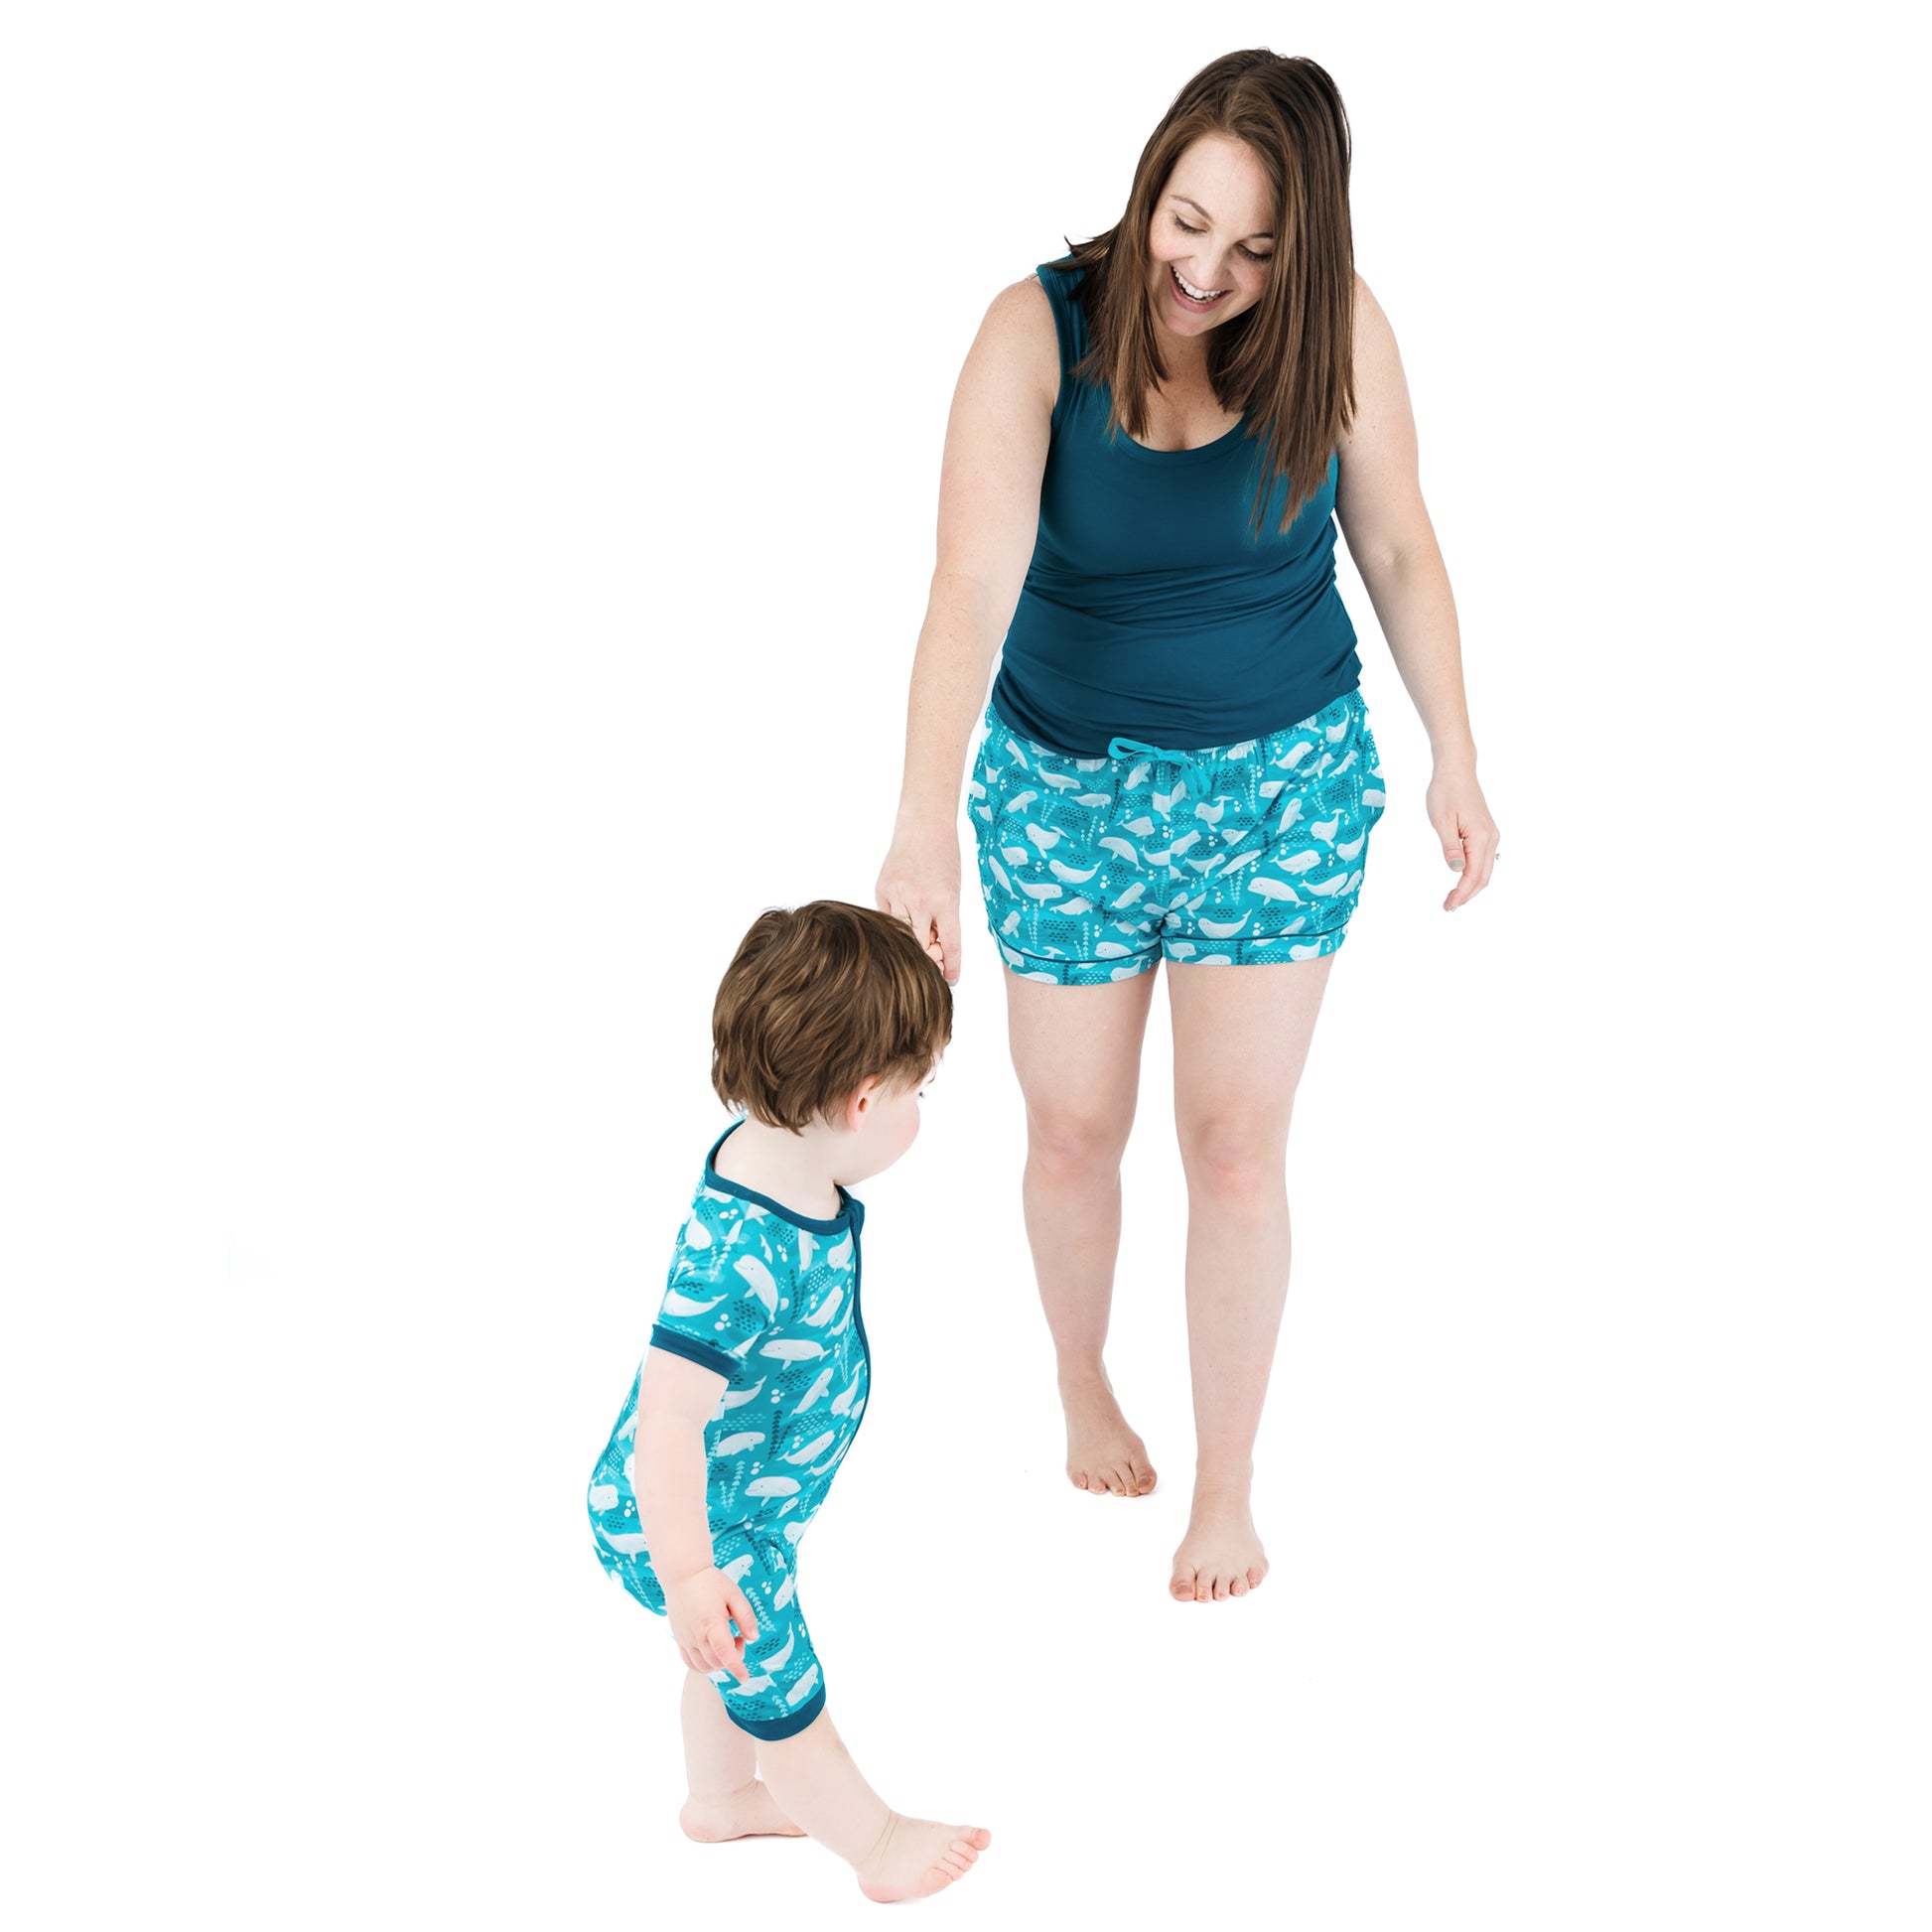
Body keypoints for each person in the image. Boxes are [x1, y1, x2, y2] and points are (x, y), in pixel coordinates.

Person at [875, 51, 1499, 1603]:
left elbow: (1402, 550)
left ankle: (1225, 1485)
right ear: (1152, 178)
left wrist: (1456, 755)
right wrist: (918, 823)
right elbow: (967, 584)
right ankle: (1082, 1379)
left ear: (1309, 253)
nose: (1203, 275)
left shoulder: (1340, 333)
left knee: (1233, 1154)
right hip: (1059, 789)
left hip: (1275, 784)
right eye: (1187, 223)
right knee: (1071, 1131)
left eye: (1254, 254)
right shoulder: (1033, 331)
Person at [586, 901, 990, 1903]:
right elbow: (669, 1416)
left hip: (740, 1504)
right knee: (778, 1681)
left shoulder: (780, 1146)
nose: (917, 1106)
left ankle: (720, 1801)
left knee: (727, 1661)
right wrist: (688, 1571)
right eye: (916, 1087)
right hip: (697, 1523)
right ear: (859, 1099)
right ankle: (877, 1841)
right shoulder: (741, 1255)